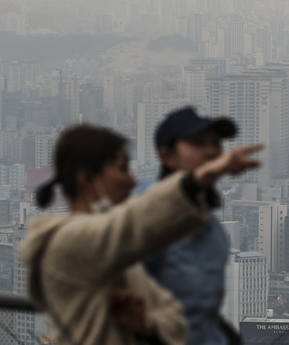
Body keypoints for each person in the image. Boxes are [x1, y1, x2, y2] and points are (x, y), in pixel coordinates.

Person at [21, 125, 263, 345]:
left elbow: (175, 316)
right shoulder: (64, 243)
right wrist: (199, 178)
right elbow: (135, 223)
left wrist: (147, 325)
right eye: (122, 168)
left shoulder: (120, 257)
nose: (132, 180)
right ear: (86, 178)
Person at [135, 107, 240, 345]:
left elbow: (202, 313)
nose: (212, 151)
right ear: (167, 156)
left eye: (216, 143)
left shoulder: (213, 228)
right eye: (198, 143)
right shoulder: (150, 215)